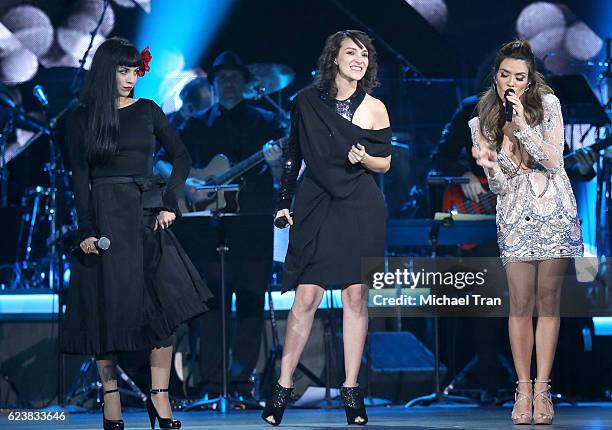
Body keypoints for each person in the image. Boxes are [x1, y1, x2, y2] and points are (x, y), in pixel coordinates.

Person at [60, 38, 212, 430]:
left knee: (165, 311)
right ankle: (111, 399)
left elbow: (181, 157)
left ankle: (159, 398)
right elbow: (79, 181)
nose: (130, 79)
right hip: (106, 217)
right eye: (122, 71)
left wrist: (169, 203)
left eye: (134, 72)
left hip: (146, 216)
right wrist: (86, 230)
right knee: (104, 313)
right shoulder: (80, 119)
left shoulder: (148, 110)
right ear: (105, 71)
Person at [261, 30, 392, 426]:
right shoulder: (305, 101)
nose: (359, 59)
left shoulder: (375, 107)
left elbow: (384, 162)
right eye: (351, 53)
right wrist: (284, 203)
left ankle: (352, 390)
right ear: (334, 58)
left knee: (356, 297)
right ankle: (282, 387)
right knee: (305, 298)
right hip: (316, 201)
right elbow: (294, 154)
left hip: (360, 206)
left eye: (365, 55)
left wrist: (366, 158)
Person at [155, 51, 284, 398]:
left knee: (251, 302)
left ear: (245, 84)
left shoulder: (267, 122)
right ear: (212, 85)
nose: (228, 83)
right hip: (206, 227)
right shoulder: (195, 124)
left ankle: (242, 383)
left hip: (253, 222)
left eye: (234, 78)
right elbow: (161, 161)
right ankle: (212, 383)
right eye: (222, 78)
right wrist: (184, 185)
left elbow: (286, 171)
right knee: (211, 306)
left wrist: (274, 166)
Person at [470, 39, 583, 425]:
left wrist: (521, 127)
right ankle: (521, 389)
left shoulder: (548, 105)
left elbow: (554, 159)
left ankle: (543, 390)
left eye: (520, 77)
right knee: (520, 303)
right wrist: (489, 164)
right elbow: (501, 185)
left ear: (530, 79)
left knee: (548, 301)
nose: (511, 83)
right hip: (515, 215)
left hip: (553, 209)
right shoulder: (480, 118)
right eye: (505, 75)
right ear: (496, 76)